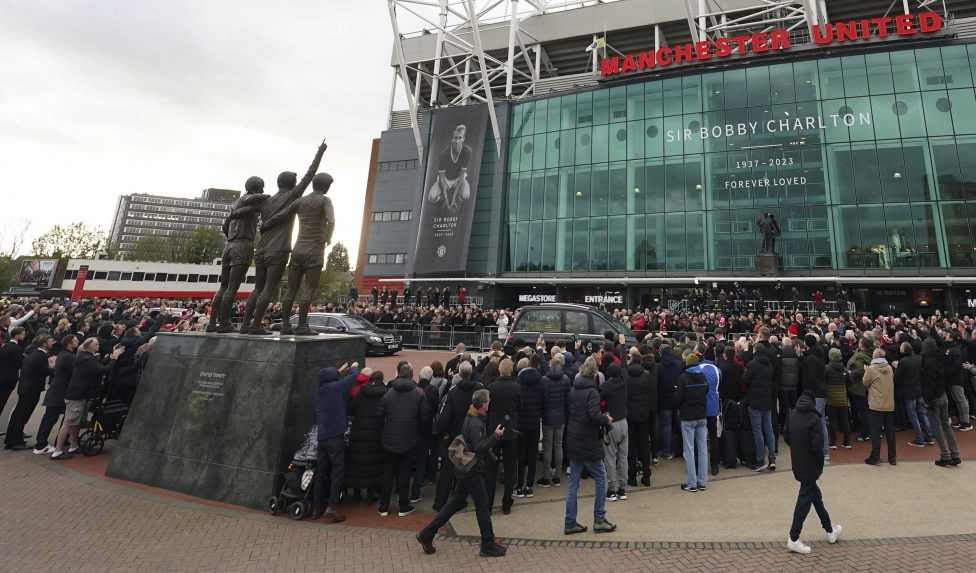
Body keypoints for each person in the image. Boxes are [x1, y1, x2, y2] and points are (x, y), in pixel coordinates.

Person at [416, 389, 507, 558]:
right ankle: (487, 544)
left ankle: (427, 533)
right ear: (483, 404)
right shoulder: (475, 423)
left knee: (455, 502)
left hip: (464, 467)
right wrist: (495, 436)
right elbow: (479, 447)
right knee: (482, 506)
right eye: (488, 400)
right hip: (471, 470)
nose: (490, 403)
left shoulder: (472, 417)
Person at [564, 357, 616, 534]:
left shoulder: (573, 390)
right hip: (588, 440)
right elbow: (594, 415)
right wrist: (606, 419)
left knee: (573, 482)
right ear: (594, 373)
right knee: (601, 477)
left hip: (573, 437)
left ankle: (570, 522)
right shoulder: (592, 392)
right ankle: (599, 519)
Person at [786, 390, 842, 555]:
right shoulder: (814, 418)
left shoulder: (792, 415)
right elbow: (818, 447)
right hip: (810, 465)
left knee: (815, 497)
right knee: (804, 500)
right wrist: (819, 465)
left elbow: (787, 436)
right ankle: (793, 537)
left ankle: (830, 531)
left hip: (798, 462)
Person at [51, 338, 123, 460]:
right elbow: (102, 369)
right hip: (77, 395)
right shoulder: (86, 358)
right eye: (96, 344)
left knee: (76, 422)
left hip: (81, 395)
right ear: (88, 346)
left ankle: (73, 445)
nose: (98, 345)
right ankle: (57, 451)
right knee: (69, 423)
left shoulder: (86, 356)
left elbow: (98, 365)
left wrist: (110, 357)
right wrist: (114, 359)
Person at [377, 363, 431, 518]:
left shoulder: (388, 393)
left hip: (389, 438)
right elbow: (425, 418)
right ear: (412, 374)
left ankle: (383, 506)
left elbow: (379, 415)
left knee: (388, 473)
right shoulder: (419, 394)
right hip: (409, 438)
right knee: (404, 473)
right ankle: (403, 505)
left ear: (398, 373)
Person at [432, 361, 483, 510]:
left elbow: (444, 417)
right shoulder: (479, 391)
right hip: (473, 435)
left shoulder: (453, 392)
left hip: (456, 436)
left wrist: (443, 431)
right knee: (471, 470)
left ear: (459, 373)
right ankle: (468, 499)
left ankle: (440, 502)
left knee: (447, 471)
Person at [312, 362, 360, 523]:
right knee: (337, 472)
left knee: (321, 472)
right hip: (335, 437)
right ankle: (332, 508)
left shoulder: (320, 390)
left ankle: (317, 506)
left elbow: (329, 378)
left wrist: (339, 371)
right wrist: (354, 367)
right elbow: (353, 377)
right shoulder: (337, 388)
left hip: (322, 437)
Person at [5, 334, 55, 450]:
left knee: (18, 414)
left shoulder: (35, 353)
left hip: (26, 388)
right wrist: (54, 368)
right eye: (50, 341)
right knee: (22, 415)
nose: (53, 343)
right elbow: (45, 371)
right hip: (31, 389)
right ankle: (16, 441)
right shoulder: (40, 355)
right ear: (44, 343)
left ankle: (11, 439)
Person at [345, 370, 386, 503]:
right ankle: (370, 493)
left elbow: (352, 408)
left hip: (359, 431)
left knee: (357, 463)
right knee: (373, 464)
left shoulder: (362, 392)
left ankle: (356, 493)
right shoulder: (384, 393)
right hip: (376, 433)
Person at [33, 335, 78, 455]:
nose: (77, 342)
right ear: (69, 343)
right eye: (75, 341)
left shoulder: (62, 354)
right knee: (51, 419)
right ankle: (41, 445)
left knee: (50, 418)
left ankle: (48, 443)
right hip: (60, 392)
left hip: (56, 390)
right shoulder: (69, 356)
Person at [487, 358, 520, 515]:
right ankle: (507, 503)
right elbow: (521, 407)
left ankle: (488, 503)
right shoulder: (516, 387)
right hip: (510, 432)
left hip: (495, 431)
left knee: (491, 470)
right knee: (509, 470)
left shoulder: (492, 387)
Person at [921, 338, 960, 467]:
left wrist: (927, 400)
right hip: (943, 395)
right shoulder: (940, 358)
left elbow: (928, 384)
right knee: (946, 426)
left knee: (937, 427)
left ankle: (945, 455)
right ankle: (955, 454)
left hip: (933, 398)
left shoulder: (927, 362)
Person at [674, 352, 709, 492]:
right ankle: (702, 481)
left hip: (687, 416)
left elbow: (678, 398)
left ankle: (692, 482)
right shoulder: (703, 376)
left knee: (689, 450)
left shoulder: (683, 378)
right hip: (701, 415)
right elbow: (706, 391)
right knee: (702, 449)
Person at [743, 345, 776, 472]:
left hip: (755, 400)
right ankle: (772, 458)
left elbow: (745, 380)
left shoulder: (752, 364)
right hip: (767, 399)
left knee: (758, 431)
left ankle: (760, 459)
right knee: (769, 429)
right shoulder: (769, 365)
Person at [514, 357, 543, 499]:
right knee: (532, 455)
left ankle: (519, 485)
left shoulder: (518, 383)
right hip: (534, 422)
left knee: (521, 455)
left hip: (521, 423)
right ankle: (529, 486)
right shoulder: (540, 382)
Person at [626, 350, 655, 487]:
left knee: (631, 446)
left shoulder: (626, 375)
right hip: (643, 414)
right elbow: (651, 394)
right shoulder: (647, 375)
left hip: (630, 414)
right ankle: (646, 475)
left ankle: (631, 476)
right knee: (644, 445)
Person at [539, 356, 569, 488]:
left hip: (547, 417)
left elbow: (542, 400)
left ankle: (546, 476)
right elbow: (568, 399)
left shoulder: (544, 380)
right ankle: (557, 476)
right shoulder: (566, 379)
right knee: (558, 446)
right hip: (561, 417)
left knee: (547, 447)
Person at [862, 349, 896, 466]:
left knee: (876, 432)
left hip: (876, 404)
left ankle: (875, 457)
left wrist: (866, 371)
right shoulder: (890, 368)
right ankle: (892, 457)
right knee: (890, 431)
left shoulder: (871, 369)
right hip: (889, 404)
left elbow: (865, 383)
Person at [600, 363, 628, 501]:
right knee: (623, 457)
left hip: (611, 422)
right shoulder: (624, 382)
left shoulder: (606, 386)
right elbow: (624, 369)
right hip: (624, 421)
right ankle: (623, 488)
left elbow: (599, 397)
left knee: (610, 457)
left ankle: (611, 489)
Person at [896, 342, 932, 448]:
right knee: (922, 414)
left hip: (909, 391)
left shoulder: (903, 361)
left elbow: (897, 377)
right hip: (918, 389)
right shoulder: (918, 358)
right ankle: (929, 436)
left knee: (913, 416)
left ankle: (920, 439)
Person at [824, 348, 851, 450]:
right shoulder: (844, 369)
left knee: (832, 421)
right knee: (845, 421)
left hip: (831, 398)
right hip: (843, 398)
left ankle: (833, 442)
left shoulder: (827, 369)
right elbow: (850, 382)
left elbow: (823, 381)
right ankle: (847, 442)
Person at [0, 326, 25, 417]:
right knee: (2, 401)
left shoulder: (4, 346)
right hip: (9, 379)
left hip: (2, 376)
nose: (24, 336)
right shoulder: (17, 349)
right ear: (17, 336)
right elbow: (20, 364)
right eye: (23, 334)